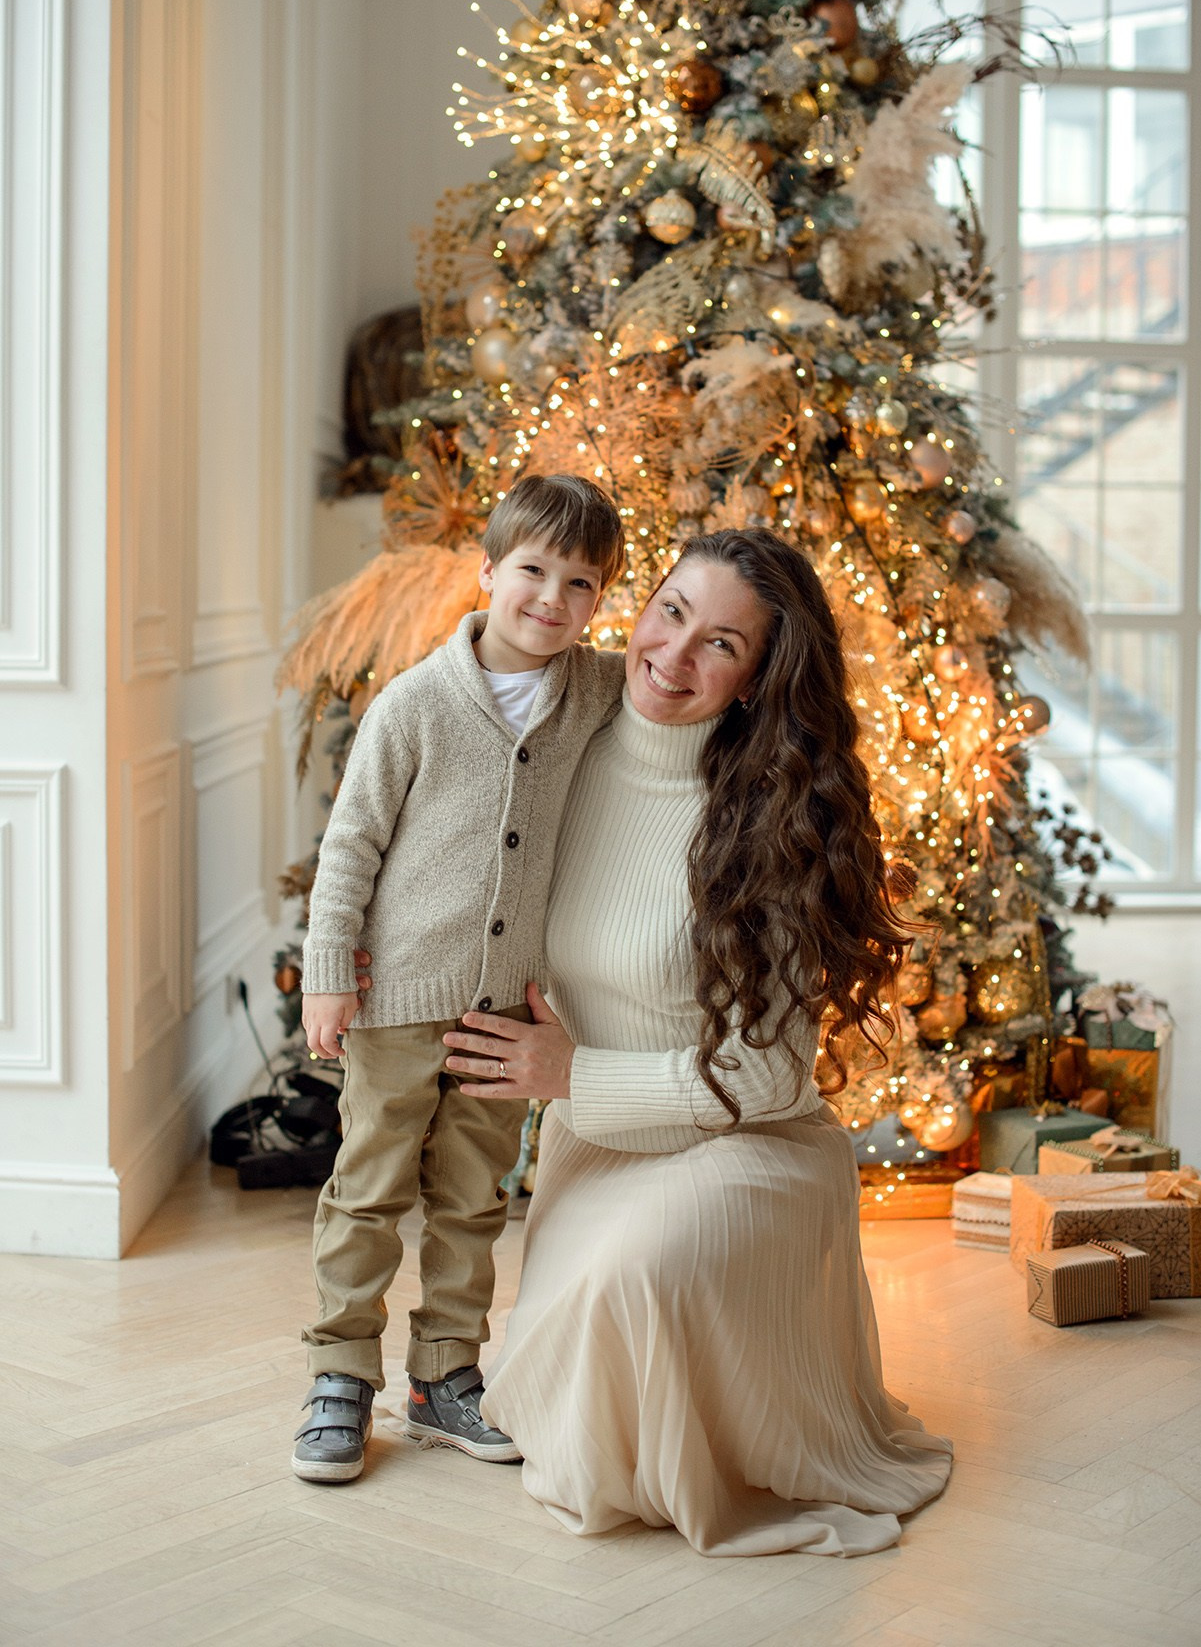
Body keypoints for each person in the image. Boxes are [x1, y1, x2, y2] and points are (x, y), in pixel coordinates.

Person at [443, 528, 953, 1557]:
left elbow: (769, 1075)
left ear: (759, 677)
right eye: (670, 611)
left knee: (634, 1284)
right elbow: (434, 835)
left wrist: (573, 1075)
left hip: (750, 1146)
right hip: (599, 1149)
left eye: (720, 644)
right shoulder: (556, 743)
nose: (671, 657)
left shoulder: (776, 819)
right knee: (582, 1342)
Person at [292, 474, 626, 1484]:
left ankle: (444, 1376)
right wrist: (325, 973)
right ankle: (341, 1372)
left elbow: (676, 680)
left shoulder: (596, 691)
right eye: (531, 570)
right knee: (370, 1186)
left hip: (506, 1007)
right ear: (485, 572)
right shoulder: (416, 703)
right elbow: (350, 845)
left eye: (580, 583)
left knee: (475, 1194)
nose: (550, 600)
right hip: (397, 997)